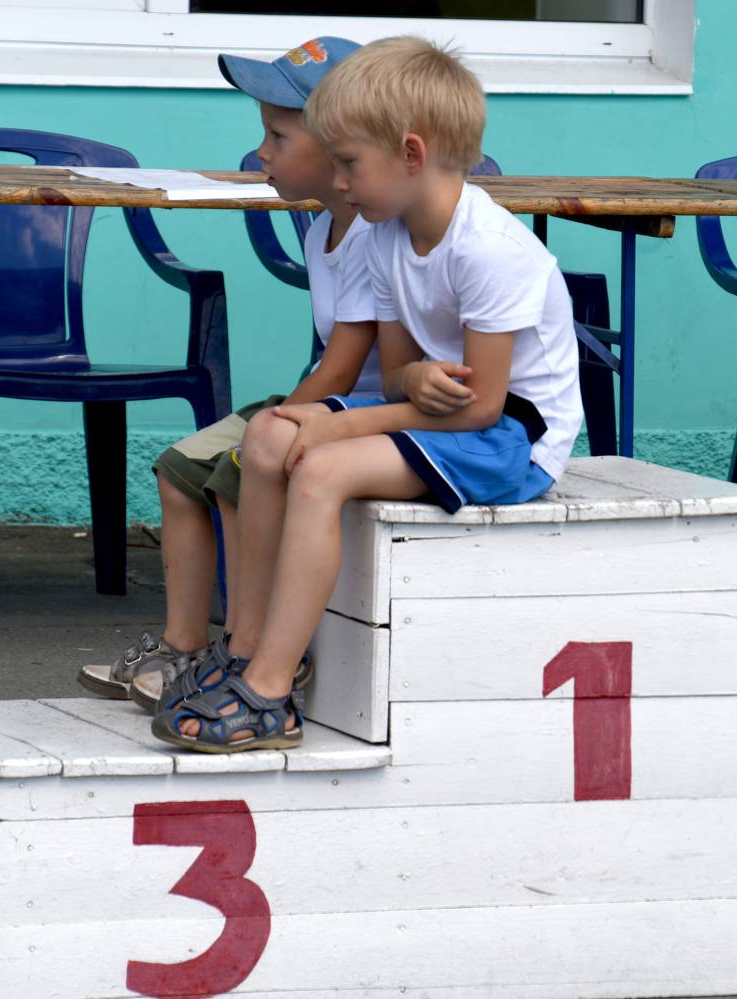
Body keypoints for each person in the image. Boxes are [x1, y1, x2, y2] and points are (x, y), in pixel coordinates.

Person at [152, 36, 583, 754]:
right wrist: (404, 382)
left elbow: (484, 406)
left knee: (320, 467)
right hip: (440, 415)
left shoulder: (489, 249)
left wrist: (340, 427)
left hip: (513, 439)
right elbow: (399, 369)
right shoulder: (386, 235)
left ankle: (270, 690)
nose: (339, 180)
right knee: (269, 435)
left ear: (411, 154)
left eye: (349, 163)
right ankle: (243, 648)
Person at [77, 36, 378, 709]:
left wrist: (272, 425)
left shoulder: (371, 234)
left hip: (358, 412)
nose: (261, 152)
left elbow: (341, 371)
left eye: (278, 136)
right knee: (179, 466)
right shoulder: (322, 228)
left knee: (239, 468)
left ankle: (246, 650)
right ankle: (182, 645)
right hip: (325, 402)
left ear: (343, 150)